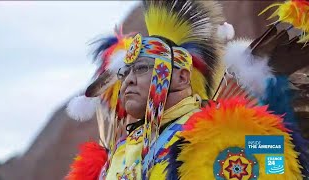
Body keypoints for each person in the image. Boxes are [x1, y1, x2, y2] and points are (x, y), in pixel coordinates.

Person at [65, 0, 309, 179]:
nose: (128, 80)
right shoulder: (118, 154)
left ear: (182, 77)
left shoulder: (222, 134)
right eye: (125, 72)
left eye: (140, 68)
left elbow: (274, 155)